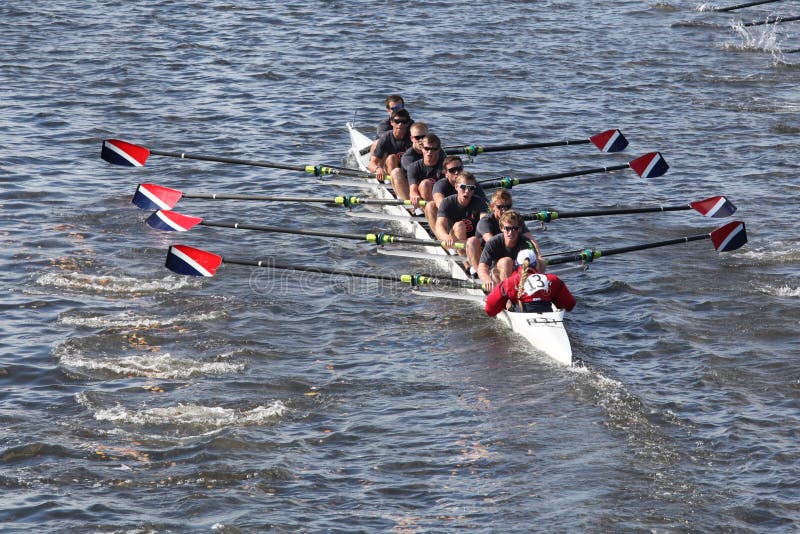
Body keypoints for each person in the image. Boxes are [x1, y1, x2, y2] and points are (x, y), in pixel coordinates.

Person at [467, 189, 543, 275]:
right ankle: (479, 273)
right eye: (500, 207)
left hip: (505, 256)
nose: (504, 210)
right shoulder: (485, 222)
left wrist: (538, 257)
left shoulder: (515, 221)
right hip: (487, 256)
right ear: (492, 207)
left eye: (508, 207)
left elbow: (531, 240)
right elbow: (491, 241)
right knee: (471, 241)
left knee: (539, 261)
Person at [485, 249, 576, 317]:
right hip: (549, 314)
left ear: (517, 264)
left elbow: (490, 309)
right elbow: (570, 304)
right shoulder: (553, 279)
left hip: (524, 316)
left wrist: (503, 306)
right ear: (536, 264)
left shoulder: (509, 282)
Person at [477, 210, 544, 290]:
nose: (511, 232)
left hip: (517, 274)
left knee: (541, 262)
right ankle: (506, 295)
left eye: (514, 228)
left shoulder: (526, 242)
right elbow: (482, 267)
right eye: (507, 228)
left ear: (519, 229)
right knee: (506, 262)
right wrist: (487, 280)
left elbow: (536, 265)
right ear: (501, 228)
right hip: (496, 275)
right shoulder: (493, 242)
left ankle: (537, 291)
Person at [433, 171, 489, 254]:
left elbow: (484, 221)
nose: (467, 191)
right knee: (460, 225)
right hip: (452, 239)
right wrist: (446, 237)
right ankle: (465, 262)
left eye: (471, 188)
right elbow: (439, 226)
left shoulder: (480, 202)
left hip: (472, 240)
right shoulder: (447, 202)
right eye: (463, 187)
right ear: (456, 187)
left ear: (474, 190)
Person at [424, 155, 486, 227]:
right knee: (430, 205)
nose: (456, 172)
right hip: (448, 219)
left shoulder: (472, 185)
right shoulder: (440, 185)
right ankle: (439, 235)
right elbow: (440, 204)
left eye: (459, 169)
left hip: (467, 218)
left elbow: (484, 204)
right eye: (452, 170)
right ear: (446, 173)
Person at [368, 108, 412, 186]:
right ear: (392, 122)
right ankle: (394, 186)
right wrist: (377, 169)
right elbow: (371, 164)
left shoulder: (412, 137)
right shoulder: (386, 138)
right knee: (392, 158)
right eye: (397, 121)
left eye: (403, 122)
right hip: (388, 169)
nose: (400, 124)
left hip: (405, 170)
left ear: (407, 123)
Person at [406, 133, 445, 209]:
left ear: (439, 149)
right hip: (424, 199)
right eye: (427, 148)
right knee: (425, 184)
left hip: (441, 198)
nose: (430, 152)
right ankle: (428, 211)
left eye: (434, 149)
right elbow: (413, 190)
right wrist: (414, 195)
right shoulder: (413, 167)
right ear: (421, 148)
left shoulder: (446, 166)